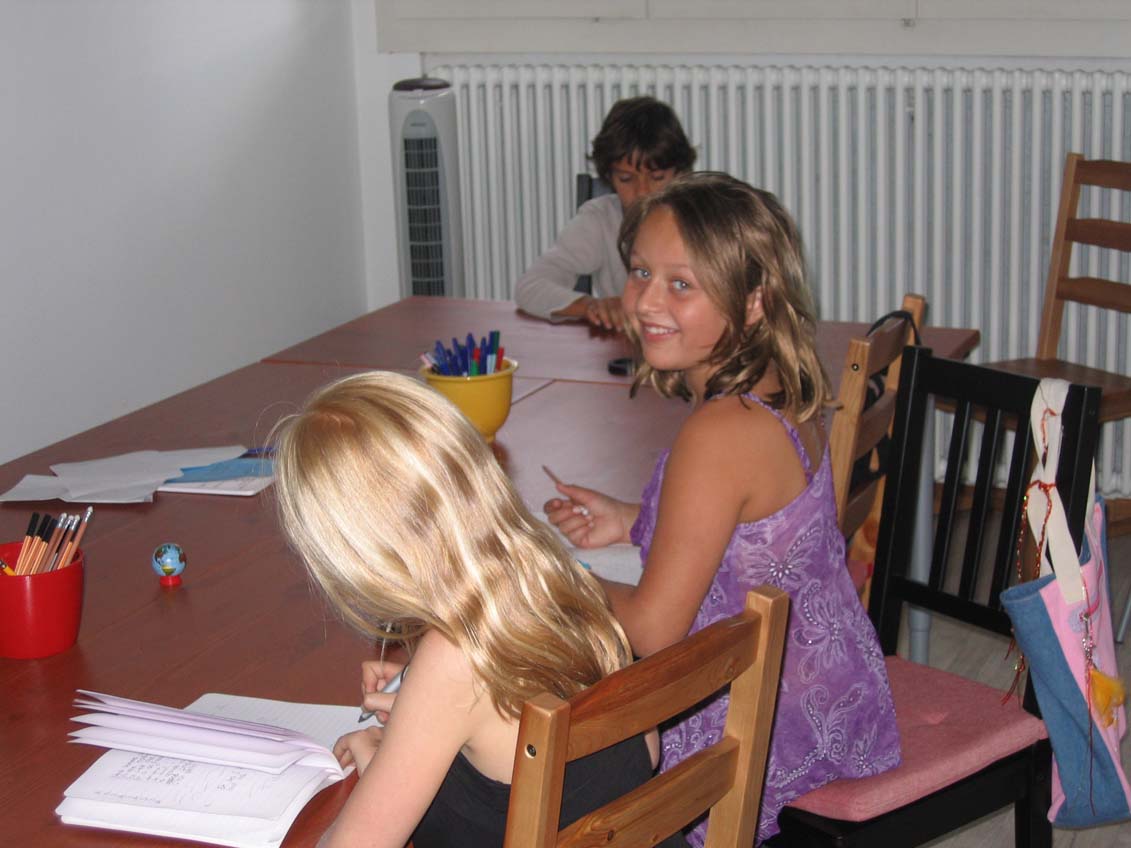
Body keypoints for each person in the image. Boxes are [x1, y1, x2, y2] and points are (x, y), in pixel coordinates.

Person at [544, 173, 902, 845]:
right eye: (640, 272)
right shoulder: (778, 392)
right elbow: (755, 533)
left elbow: (653, 633)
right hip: (828, 696)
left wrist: (547, 574)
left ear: (753, 302)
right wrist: (631, 517)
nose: (647, 301)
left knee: (518, 752)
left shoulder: (717, 434)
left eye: (681, 284)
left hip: (763, 730)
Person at [271, 372, 688, 848]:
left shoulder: (453, 658)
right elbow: (646, 751)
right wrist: (419, 719)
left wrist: (384, 764)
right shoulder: (560, 576)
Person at [515, 95, 696, 330]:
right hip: (626, 347)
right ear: (609, 177)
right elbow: (531, 286)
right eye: (626, 179)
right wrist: (592, 306)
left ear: (680, 173)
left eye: (657, 177)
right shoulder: (601, 219)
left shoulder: (706, 222)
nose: (642, 192)